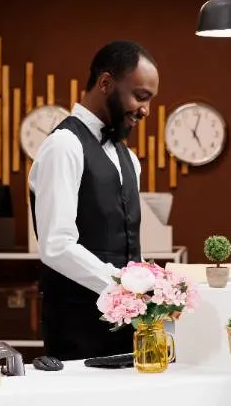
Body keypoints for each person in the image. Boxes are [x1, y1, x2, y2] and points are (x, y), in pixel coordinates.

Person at [28, 40, 159, 361]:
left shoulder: (129, 158)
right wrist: (124, 286)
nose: (146, 110)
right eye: (140, 97)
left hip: (128, 325)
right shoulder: (63, 146)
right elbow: (56, 245)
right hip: (77, 326)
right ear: (105, 83)